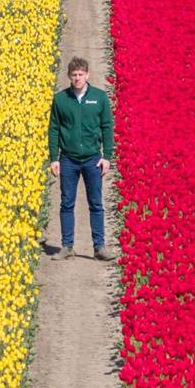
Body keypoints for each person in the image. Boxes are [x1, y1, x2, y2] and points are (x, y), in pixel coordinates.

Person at [48, 57, 115, 261]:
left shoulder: (99, 97)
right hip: (68, 159)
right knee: (67, 203)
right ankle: (67, 246)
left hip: (93, 159)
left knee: (95, 203)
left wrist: (107, 156)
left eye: (80, 74)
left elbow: (107, 127)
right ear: (69, 76)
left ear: (87, 75)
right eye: (74, 75)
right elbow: (54, 129)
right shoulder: (61, 99)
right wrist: (54, 158)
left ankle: (99, 247)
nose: (77, 78)